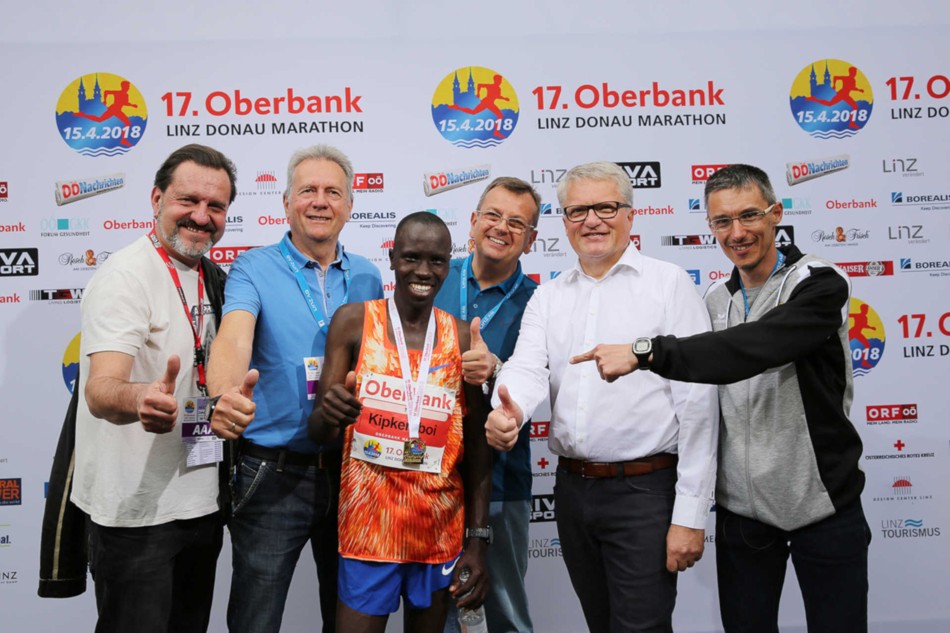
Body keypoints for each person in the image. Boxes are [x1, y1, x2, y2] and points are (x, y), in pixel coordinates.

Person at [572, 163, 869, 633]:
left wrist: (645, 352)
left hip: (822, 505)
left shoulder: (819, 283)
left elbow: (757, 348)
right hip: (743, 514)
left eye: (749, 216)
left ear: (776, 214)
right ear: (710, 226)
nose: (738, 232)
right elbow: (697, 383)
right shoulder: (713, 299)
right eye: (722, 221)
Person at [485, 162, 719, 633]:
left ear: (630, 215)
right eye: (578, 210)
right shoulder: (547, 297)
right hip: (573, 493)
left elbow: (698, 405)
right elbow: (528, 369)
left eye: (605, 207)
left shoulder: (668, 284)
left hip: (645, 492)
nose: (592, 220)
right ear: (565, 222)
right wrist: (506, 410)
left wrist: (691, 516)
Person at [207, 144, 383, 633]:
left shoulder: (369, 275)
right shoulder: (254, 267)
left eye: (333, 192)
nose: (320, 201)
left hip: (353, 475)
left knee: (349, 618)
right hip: (273, 474)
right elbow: (235, 335)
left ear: (350, 205)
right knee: (255, 619)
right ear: (286, 202)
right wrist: (224, 395)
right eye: (308, 190)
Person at [71, 144, 238, 633]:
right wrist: (140, 398)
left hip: (199, 502)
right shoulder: (126, 275)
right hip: (136, 514)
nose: (201, 217)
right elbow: (101, 389)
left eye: (216, 207)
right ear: (156, 198)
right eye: (188, 200)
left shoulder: (212, 276)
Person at [309, 211, 492, 632]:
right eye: (411, 257)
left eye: (436, 261)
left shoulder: (463, 338)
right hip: (368, 530)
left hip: (438, 529)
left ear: (449, 264)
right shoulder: (354, 322)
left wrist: (478, 540)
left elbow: (479, 451)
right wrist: (329, 414)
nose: (423, 272)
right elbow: (319, 430)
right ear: (392, 258)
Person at [434, 177, 540, 633]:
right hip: (424, 479)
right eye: (493, 216)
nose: (502, 228)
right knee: (429, 613)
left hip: (499, 481)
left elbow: (542, 381)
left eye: (517, 223)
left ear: (532, 240)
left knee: (504, 613)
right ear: (473, 222)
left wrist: (496, 369)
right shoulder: (431, 276)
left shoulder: (541, 302)